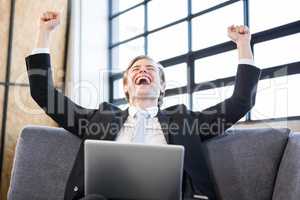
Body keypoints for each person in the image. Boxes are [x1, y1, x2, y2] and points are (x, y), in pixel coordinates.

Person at [25, 11, 261, 200]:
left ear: (162, 87)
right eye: (136, 70)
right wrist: (44, 34)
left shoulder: (184, 120)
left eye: (150, 70)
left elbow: (240, 103)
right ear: (126, 86)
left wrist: (243, 44)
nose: (143, 71)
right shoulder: (100, 118)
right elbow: (44, 95)